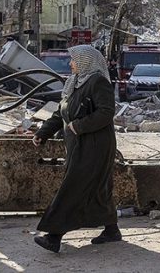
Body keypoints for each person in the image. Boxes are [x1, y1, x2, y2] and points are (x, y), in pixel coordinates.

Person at [31, 45, 121, 253]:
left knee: (72, 188)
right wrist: (42, 133)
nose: (71, 64)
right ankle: (111, 229)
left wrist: (79, 126)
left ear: (86, 62)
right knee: (99, 188)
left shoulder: (98, 82)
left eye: (74, 60)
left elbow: (106, 112)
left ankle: (54, 236)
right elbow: (61, 113)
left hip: (95, 147)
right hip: (78, 146)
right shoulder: (73, 83)